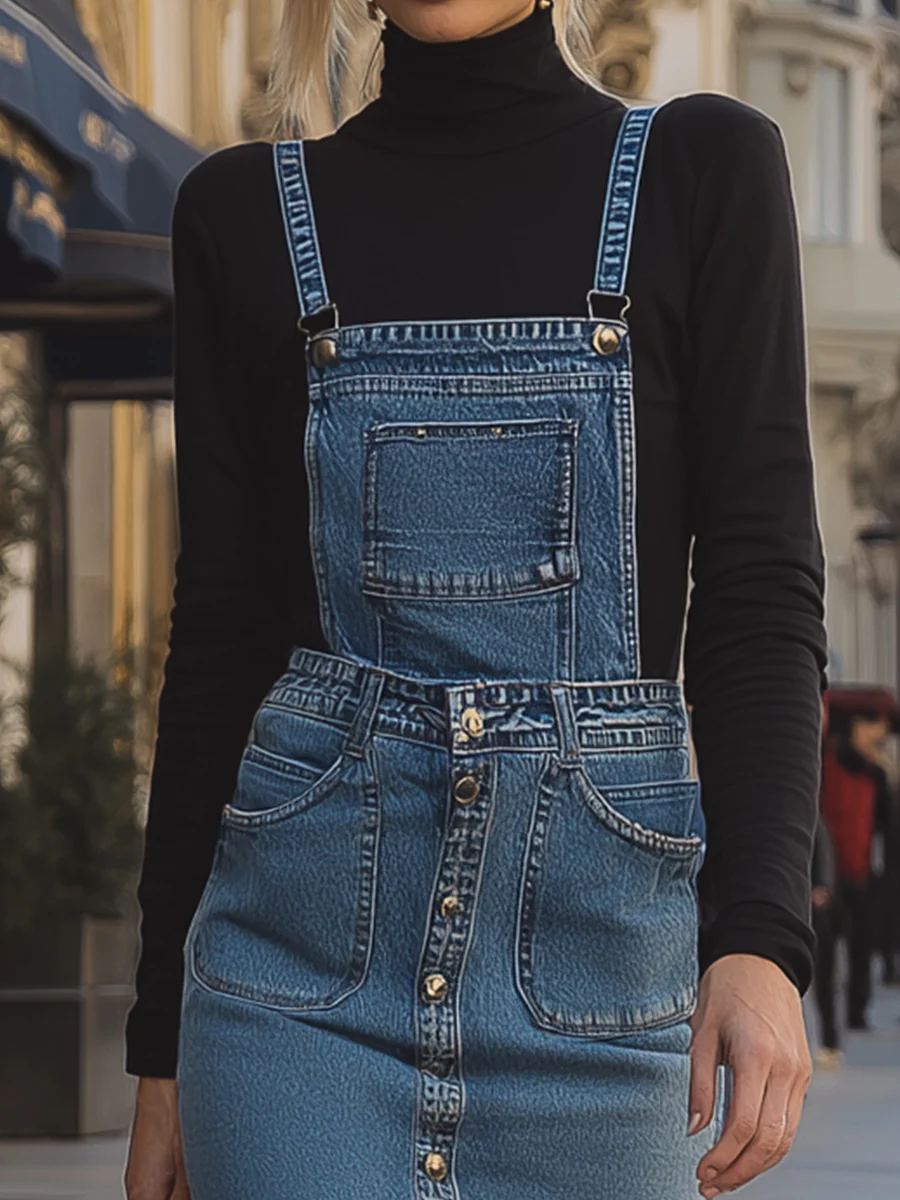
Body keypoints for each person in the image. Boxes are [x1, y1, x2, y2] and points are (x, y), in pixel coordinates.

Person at [124, 3, 828, 1199]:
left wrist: (761, 939)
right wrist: (158, 1048)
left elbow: (759, 587)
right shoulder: (238, 212)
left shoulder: (706, 170)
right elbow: (221, 644)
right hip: (291, 1004)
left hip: (606, 1011)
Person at [819, 691, 897, 1032]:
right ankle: (830, 1028)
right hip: (828, 876)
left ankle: (856, 1013)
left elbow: (887, 828)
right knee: (825, 954)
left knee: (862, 948)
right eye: (874, 728)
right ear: (855, 726)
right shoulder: (825, 763)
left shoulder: (875, 775)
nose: (879, 737)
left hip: (864, 873)